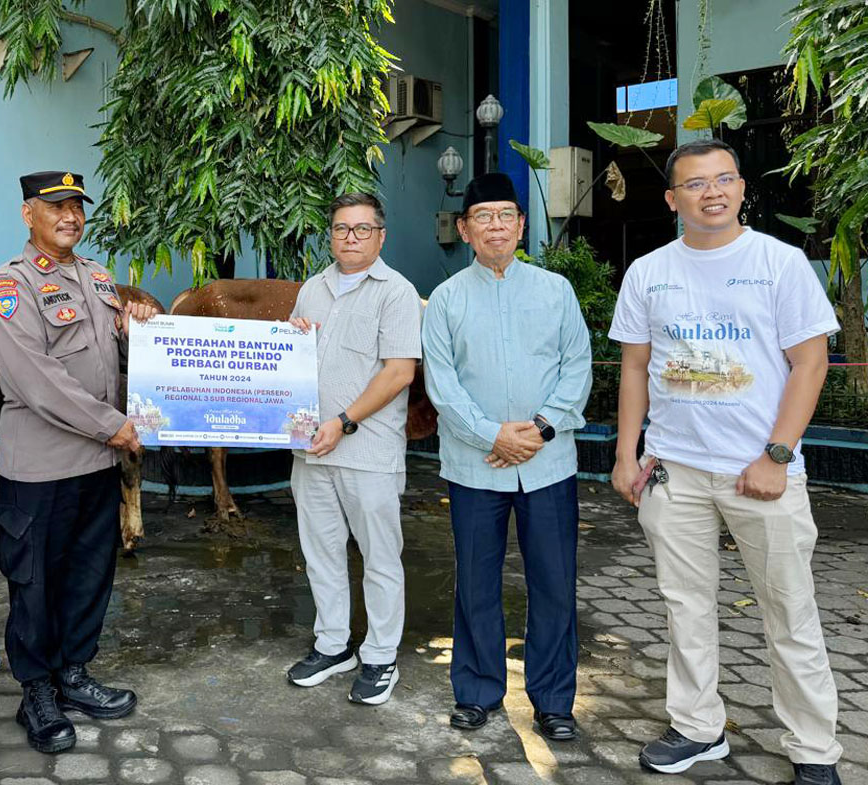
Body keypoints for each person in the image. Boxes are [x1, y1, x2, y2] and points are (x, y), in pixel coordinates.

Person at [608, 139, 843, 784]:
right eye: (695, 184)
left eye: (724, 180)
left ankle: (815, 751)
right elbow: (634, 368)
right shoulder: (649, 271)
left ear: (741, 188)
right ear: (672, 199)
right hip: (672, 470)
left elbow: (810, 363)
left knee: (789, 610)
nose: (712, 192)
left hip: (761, 473)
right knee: (685, 604)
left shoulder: (779, 263)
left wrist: (776, 454)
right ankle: (696, 728)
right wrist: (628, 453)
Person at [0, 170, 157, 754]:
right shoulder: (11, 287)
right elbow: (37, 381)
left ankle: (74, 674)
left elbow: (115, 359)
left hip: (97, 468)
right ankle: (37, 691)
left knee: (88, 575)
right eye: (56, 207)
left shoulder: (99, 280)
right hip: (39, 471)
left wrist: (143, 334)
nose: (70, 216)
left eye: (77, 206)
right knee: (35, 583)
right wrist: (115, 426)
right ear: (28, 214)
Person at [421, 173, 592, 742]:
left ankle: (553, 701)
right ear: (466, 229)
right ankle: (475, 691)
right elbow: (443, 387)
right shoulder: (444, 300)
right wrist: (494, 436)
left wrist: (538, 431)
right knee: (475, 582)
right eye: (483, 216)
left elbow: (577, 368)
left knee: (553, 583)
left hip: (548, 465)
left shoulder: (555, 290)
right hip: (475, 467)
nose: (496, 225)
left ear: (522, 225)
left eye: (506, 215)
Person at [283, 192, 421, 705]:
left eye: (362, 229)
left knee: (380, 557)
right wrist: (290, 338)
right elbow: (293, 362)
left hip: (368, 453)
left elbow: (399, 372)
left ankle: (381, 655)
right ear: (331, 235)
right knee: (320, 554)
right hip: (310, 451)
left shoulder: (397, 293)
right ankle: (333, 645)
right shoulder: (311, 290)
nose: (351, 238)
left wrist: (343, 421)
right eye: (342, 229)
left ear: (380, 236)